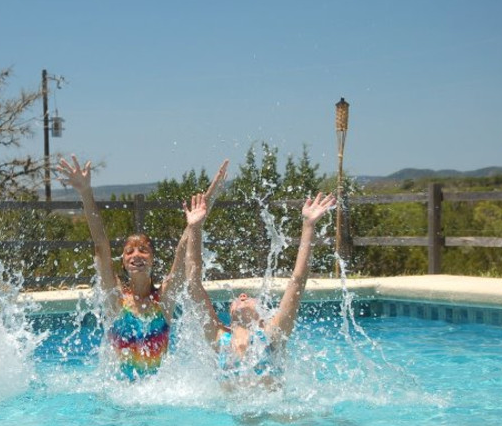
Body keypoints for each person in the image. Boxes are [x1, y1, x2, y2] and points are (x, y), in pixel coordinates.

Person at [56, 155, 228, 380]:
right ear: (124, 261)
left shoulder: (164, 300)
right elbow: (101, 245)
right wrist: (85, 193)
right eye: (129, 251)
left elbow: (183, 248)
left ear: (153, 259)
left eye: (143, 250)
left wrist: (207, 202)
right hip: (122, 402)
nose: (136, 255)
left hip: (156, 398)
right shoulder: (116, 300)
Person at [183, 190, 336, 381]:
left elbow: (297, 280)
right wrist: (194, 228)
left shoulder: (272, 335)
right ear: (229, 313)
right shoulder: (219, 338)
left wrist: (308, 225)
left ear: (264, 315)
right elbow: (192, 282)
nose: (242, 296)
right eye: (238, 298)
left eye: (249, 297)